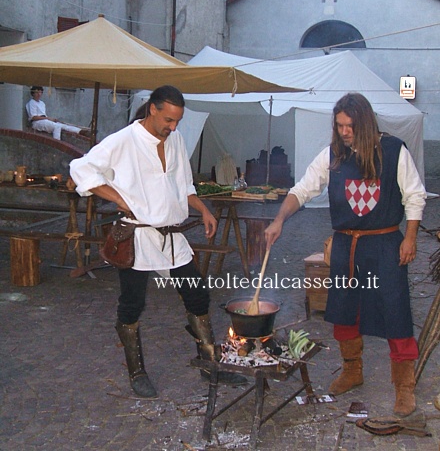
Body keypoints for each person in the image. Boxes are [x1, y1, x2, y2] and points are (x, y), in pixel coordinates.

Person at [70, 85, 245, 398]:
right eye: (168, 119)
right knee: (133, 304)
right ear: (152, 109)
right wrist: (122, 200)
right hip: (137, 237)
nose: (173, 127)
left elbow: (184, 184)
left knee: (198, 296)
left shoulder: (174, 139)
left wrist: (203, 209)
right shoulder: (124, 140)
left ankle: (209, 362)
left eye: (177, 121)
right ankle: (137, 372)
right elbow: (81, 169)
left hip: (172, 237)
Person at [265, 93, 426, 417]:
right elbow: (303, 189)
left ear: (364, 123)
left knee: (395, 313)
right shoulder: (333, 156)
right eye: (339, 126)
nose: (344, 132)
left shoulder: (393, 150)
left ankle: (404, 387)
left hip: (384, 245)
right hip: (346, 246)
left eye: (350, 126)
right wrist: (279, 219)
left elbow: (414, 196)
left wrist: (409, 238)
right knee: (343, 310)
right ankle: (352, 370)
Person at [26, 86, 90, 140]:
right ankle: (57, 142)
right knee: (57, 126)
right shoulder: (31, 103)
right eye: (37, 92)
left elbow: (44, 116)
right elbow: (33, 117)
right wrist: (48, 118)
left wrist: (50, 119)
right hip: (37, 123)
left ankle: (80, 131)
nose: (39, 94)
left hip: (44, 120)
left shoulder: (42, 103)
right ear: (33, 93)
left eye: (40, 92)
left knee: (63, 125)